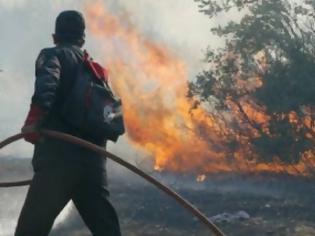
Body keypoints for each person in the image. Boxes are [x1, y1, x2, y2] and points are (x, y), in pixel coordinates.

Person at [15, 10, 122, 236]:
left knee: (29, 232)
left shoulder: (52, 55)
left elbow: (48, 84)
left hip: (58, 162)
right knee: (107, 231)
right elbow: (111, 116)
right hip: (93, 164)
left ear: (55, 37)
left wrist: (34, 121)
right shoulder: (98, 72)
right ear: (82, 39)